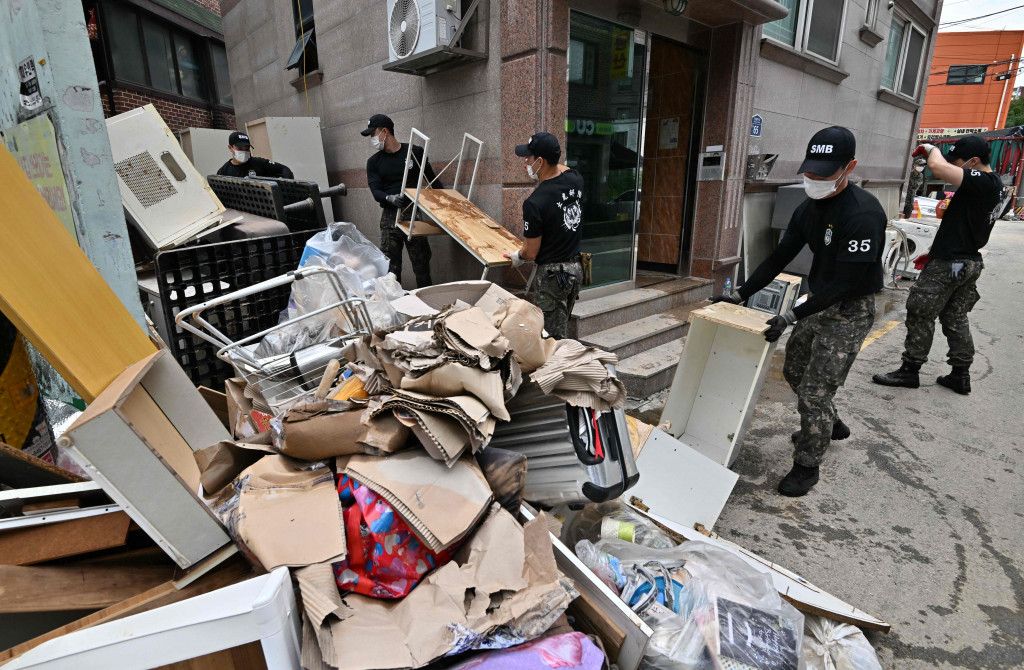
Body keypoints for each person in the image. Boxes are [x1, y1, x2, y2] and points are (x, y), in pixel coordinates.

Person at [713, 126, 886, 497]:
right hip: (819, 301)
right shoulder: (808, 209)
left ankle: (807, 466)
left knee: (814, 392)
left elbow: (844, 284)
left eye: (823, 174)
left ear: (848, 167)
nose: (813, 180)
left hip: (850, 308)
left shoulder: (863, 214)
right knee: (794, 369)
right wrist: (741, 293)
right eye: (809, 172)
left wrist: (791, 315)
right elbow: (779, 256)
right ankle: (830, 423)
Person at [873, 135, 1004, 395]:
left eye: (957, 162)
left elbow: (938, 168)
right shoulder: (994, 185)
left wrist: (932, 149)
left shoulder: (985, 182)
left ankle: (909, 371)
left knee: (921, 312)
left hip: (953, 264)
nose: (952, 167)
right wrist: (933, 252)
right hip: (966, 263)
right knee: (955, 317)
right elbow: (962, 225)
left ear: (973, 161)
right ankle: (960, 374)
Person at [504, 132, 584, 339]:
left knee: (550, 337)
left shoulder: (535, 202)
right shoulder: (575, 180)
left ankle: (557, 369)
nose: (526, 162)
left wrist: (518, 257)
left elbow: (531, 252)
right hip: (575, 270)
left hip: (553, 277)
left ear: (540, 161)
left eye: (528, 158)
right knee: (561, 323)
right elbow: (562, 168)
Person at [362, 114, 442, 288]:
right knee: (391, 269)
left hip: (413, 214)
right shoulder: (374, 162)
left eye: (372, 134)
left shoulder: (415, 152)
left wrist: (448, 205)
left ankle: (426, 304)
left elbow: (433, 181)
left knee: (421, 264)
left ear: (385, 131)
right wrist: (389, 198)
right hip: (390, 218)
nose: (372, 139)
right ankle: (395, 307)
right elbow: (376, 191)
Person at [216, 131, 293, 178]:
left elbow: (284, 169)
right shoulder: (223, 172)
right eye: (240, 149)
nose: (244, 152)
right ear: (230, 148)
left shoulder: (259, 163)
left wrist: (288, 184)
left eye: (246, 149)